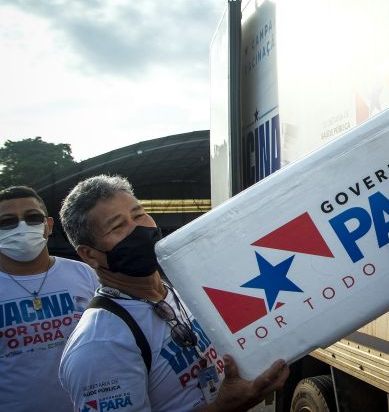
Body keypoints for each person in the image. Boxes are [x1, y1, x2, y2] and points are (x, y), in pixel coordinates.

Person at [58, 175, 289, 411]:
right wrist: (223, 407)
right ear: (89, 254)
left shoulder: (177, 290)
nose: (138, 228)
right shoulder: (100, 345)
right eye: (118, 226)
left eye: (139, 215)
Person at [0, 185, 99, 411]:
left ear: (49, 226)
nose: (22, 227)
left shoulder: (85, 274)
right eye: (7, 221)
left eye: (33, 217)